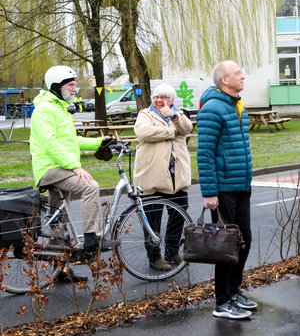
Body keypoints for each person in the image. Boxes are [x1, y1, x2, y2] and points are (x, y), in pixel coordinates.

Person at [30, 65, 113, 282]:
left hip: (59, 167)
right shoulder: (45, 110)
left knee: (59, 219)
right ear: (57, 86)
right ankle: (90, 239)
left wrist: (98, 141)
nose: (75, 88)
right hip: (50, 168)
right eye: (71, 84)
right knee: (89, 186)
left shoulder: (59, 108)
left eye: (75, 84)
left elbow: (71, 141)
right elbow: (50, 143)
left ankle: (61, 270)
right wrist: (74, 166)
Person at [197, 60, 257, 320]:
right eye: (238, 73)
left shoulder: (236, 105)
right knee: (226, 246)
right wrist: (210, 192)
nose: (242, 77)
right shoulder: (212, 109)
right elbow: (205, 153)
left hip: (241, 185)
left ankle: (233, 291)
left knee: (244, 240)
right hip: (223, 190)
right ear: (224, 79)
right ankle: (221, 302)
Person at [133, 83, 193, 271]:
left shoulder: (179, 115)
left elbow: (188, 128)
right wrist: (172, 132)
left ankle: (172, 250)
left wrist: (174, 117)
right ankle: (154, 257)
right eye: (156, 97)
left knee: (179, 213)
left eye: (164, 97)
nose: (159, 100)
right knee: (153, 218)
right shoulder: (145, 114)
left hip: (177, 176)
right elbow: (144, 132)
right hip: (152, 175)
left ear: (172, 100)